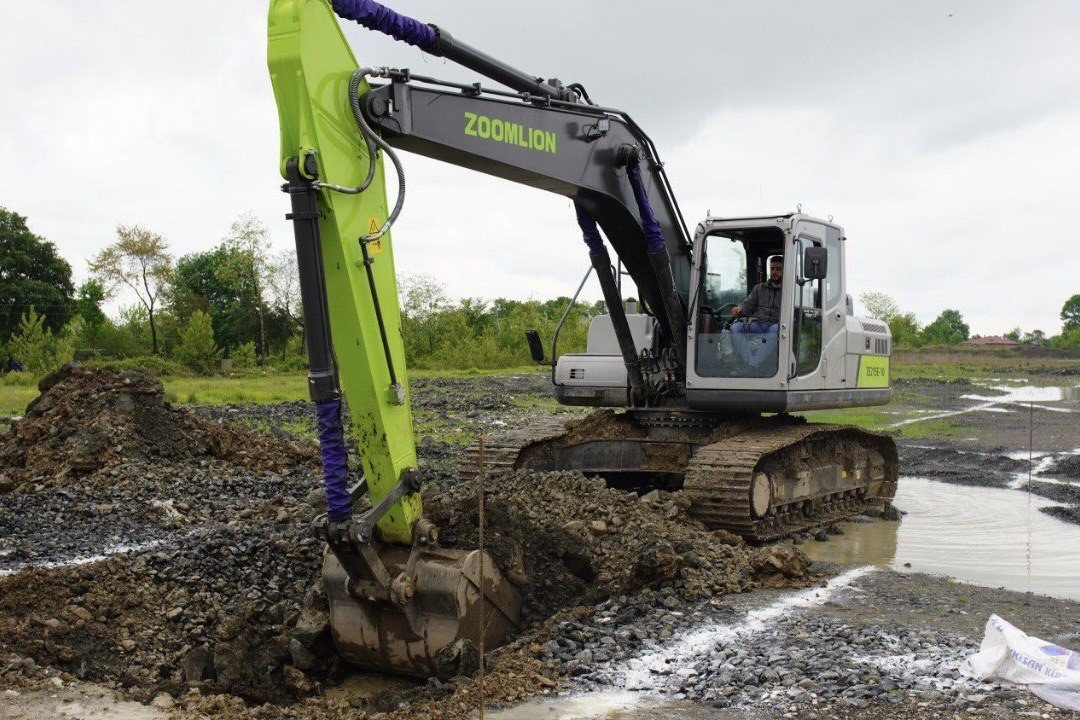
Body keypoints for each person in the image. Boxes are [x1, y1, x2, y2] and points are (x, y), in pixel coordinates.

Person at [730, 256, 783, 365]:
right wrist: (739, 310)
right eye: (772, 268)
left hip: (777, 324)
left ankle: (753, 363)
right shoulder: (759, 288)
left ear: (784, 271)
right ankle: (750, 360)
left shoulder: (788, 291)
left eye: (778, 269)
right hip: (759, 324)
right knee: (735, 328)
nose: (774, 272)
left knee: (777, 329)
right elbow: (747, 305)